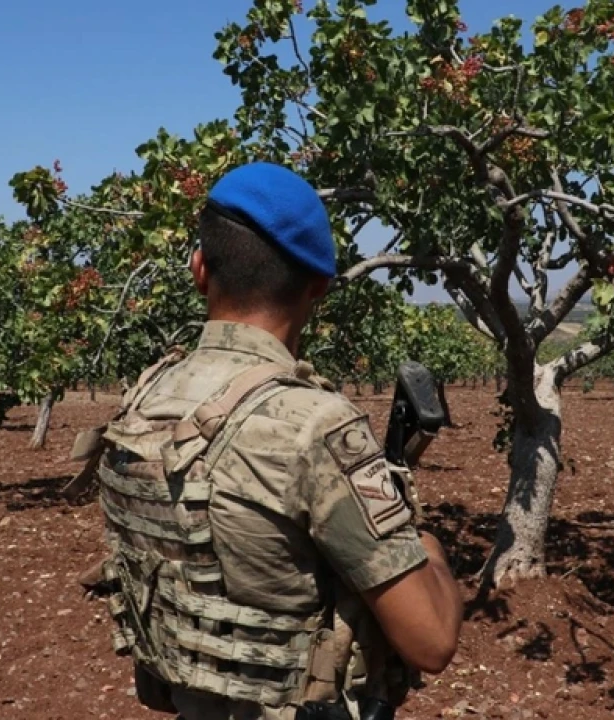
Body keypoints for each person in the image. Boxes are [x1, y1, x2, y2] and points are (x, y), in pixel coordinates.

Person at [80, 162, 463, 720]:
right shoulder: (316, 425)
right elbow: (431, 641)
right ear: (320, 285)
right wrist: (428, 546)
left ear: (199, 268)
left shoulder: (144, 396)